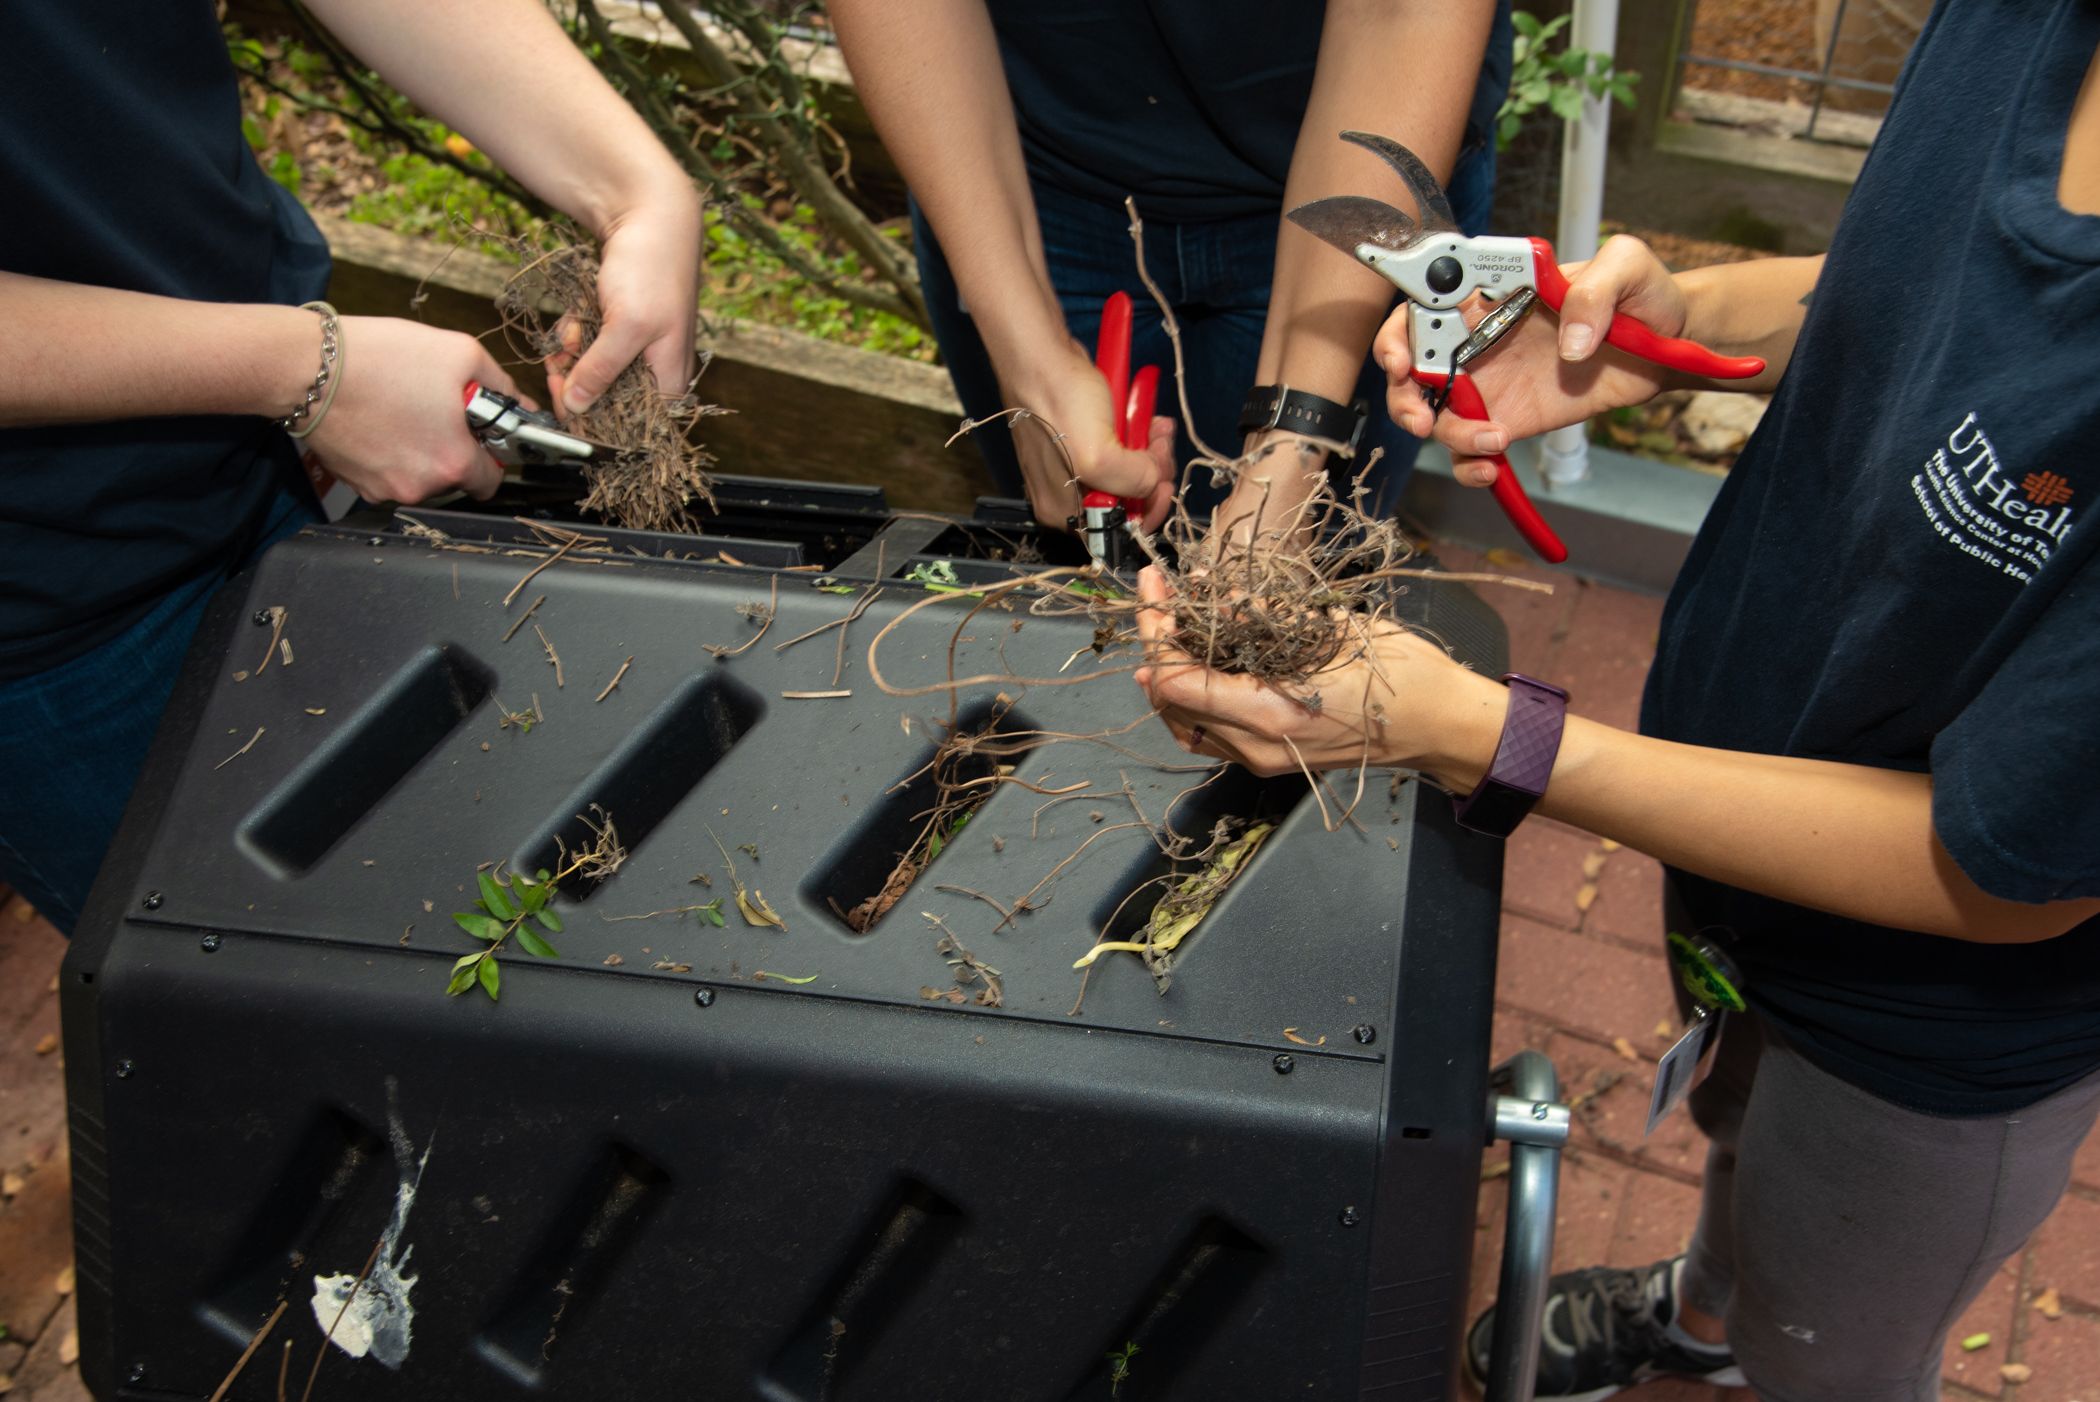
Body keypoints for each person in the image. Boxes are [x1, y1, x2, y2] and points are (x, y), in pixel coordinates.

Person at [1135, 1, 2100, 1396]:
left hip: (1930, 1034)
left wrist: (1480, 730)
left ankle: (1766, 1337)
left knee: (1833, 1340)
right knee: (1736, 1127)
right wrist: (1681, 321)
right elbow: (1934, 278)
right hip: (1740, 828)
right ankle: (1706, 1310)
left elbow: (2005, 874)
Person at [0, 0, 701, 935]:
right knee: (271, 981)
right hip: (60, 610)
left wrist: (641, 190)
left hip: (278, 449)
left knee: (439, 881)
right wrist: (300, 369)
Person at [828, 0, 1511, 541]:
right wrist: (1029, 356)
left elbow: (1400, 13)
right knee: (1069, 541)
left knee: (1310, 574)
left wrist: (1296, 443)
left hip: (1366, 189)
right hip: (1019, 167)